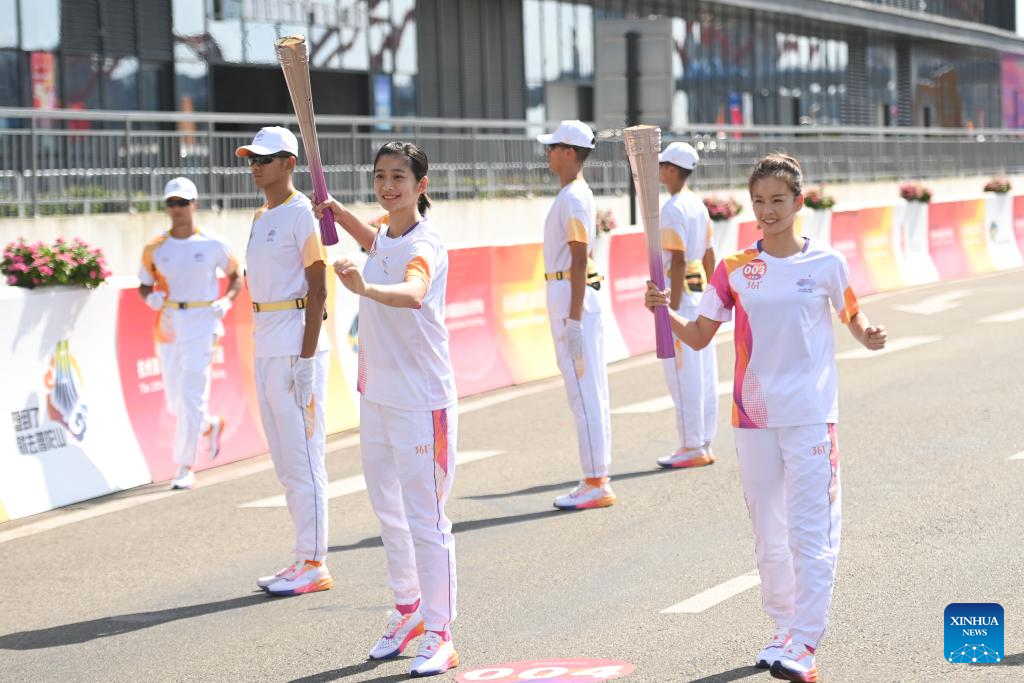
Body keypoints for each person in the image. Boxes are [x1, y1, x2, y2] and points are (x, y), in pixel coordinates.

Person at [645, 153, 887, 682]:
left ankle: (806, 642)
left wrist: (866, 333)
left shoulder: (825, 264)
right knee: (769, 533)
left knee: (810, 531)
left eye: (778, 200)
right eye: (759, 201)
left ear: (798, 202)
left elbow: (852, 313)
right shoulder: (735, 269)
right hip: (752, 417)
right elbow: (700, 336)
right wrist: (665, 310)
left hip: (809, 414)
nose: (768, 210)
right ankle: (783, 627)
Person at [314, 141, 459, 678]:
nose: (388, 185)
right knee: (388, 512)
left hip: (422, 400)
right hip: (376, 395)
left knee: (427, 520)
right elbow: (378, 243)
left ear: (421, 185)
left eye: (399, 176)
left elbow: (414, 289)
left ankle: (441, 633)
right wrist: (339, 214)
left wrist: (365, 288)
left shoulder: (427, 243)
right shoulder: (386, 233)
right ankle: (409, 611)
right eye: (380, 176)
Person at [238, 126, 332, 597]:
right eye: (252, 159)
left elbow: (318, 289)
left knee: (304, 458)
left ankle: (315, 562)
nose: (255, 166)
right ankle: (302, 555)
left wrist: (308, 358)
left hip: (297, 342)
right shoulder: (261, 216)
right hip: (266, 343)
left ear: (289, 163)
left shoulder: (303, 216)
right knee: (285, 461)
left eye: (265, 159)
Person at [138, 177, 240, 490]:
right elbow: (144, 285)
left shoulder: (213, 243)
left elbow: (236, 275)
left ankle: (184, 465)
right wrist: (150, 298)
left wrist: (226, 300)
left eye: (182, 202)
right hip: (169, 324)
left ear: (194, 205)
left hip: (203, 322)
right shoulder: (155, 248)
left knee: (192, 395)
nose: (177, 209)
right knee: (175, 401)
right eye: (172, 203)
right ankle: (209, 425)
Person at [537, 120, 615, 510]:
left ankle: (596, 480)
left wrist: (574, 320)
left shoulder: (573, 197)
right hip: (570, 292)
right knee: (589, 393)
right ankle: (597, 476)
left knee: (584, 394)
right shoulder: (573, 194)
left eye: (553, 147)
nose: (548, 153)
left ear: (569, 152)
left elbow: (580, 258)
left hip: (572, 295)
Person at [656, 142, 719, 469]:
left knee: (683, 376)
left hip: (679, 294)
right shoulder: (697, 204)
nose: (658, 170)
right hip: (699, 294)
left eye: (661, 165)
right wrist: (714, 296)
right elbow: (709, 254)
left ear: (671, 169)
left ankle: (691, 445)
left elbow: (678, 260)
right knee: (704, 373)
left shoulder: (672, 209)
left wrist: (672, 311)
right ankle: (703, 441)